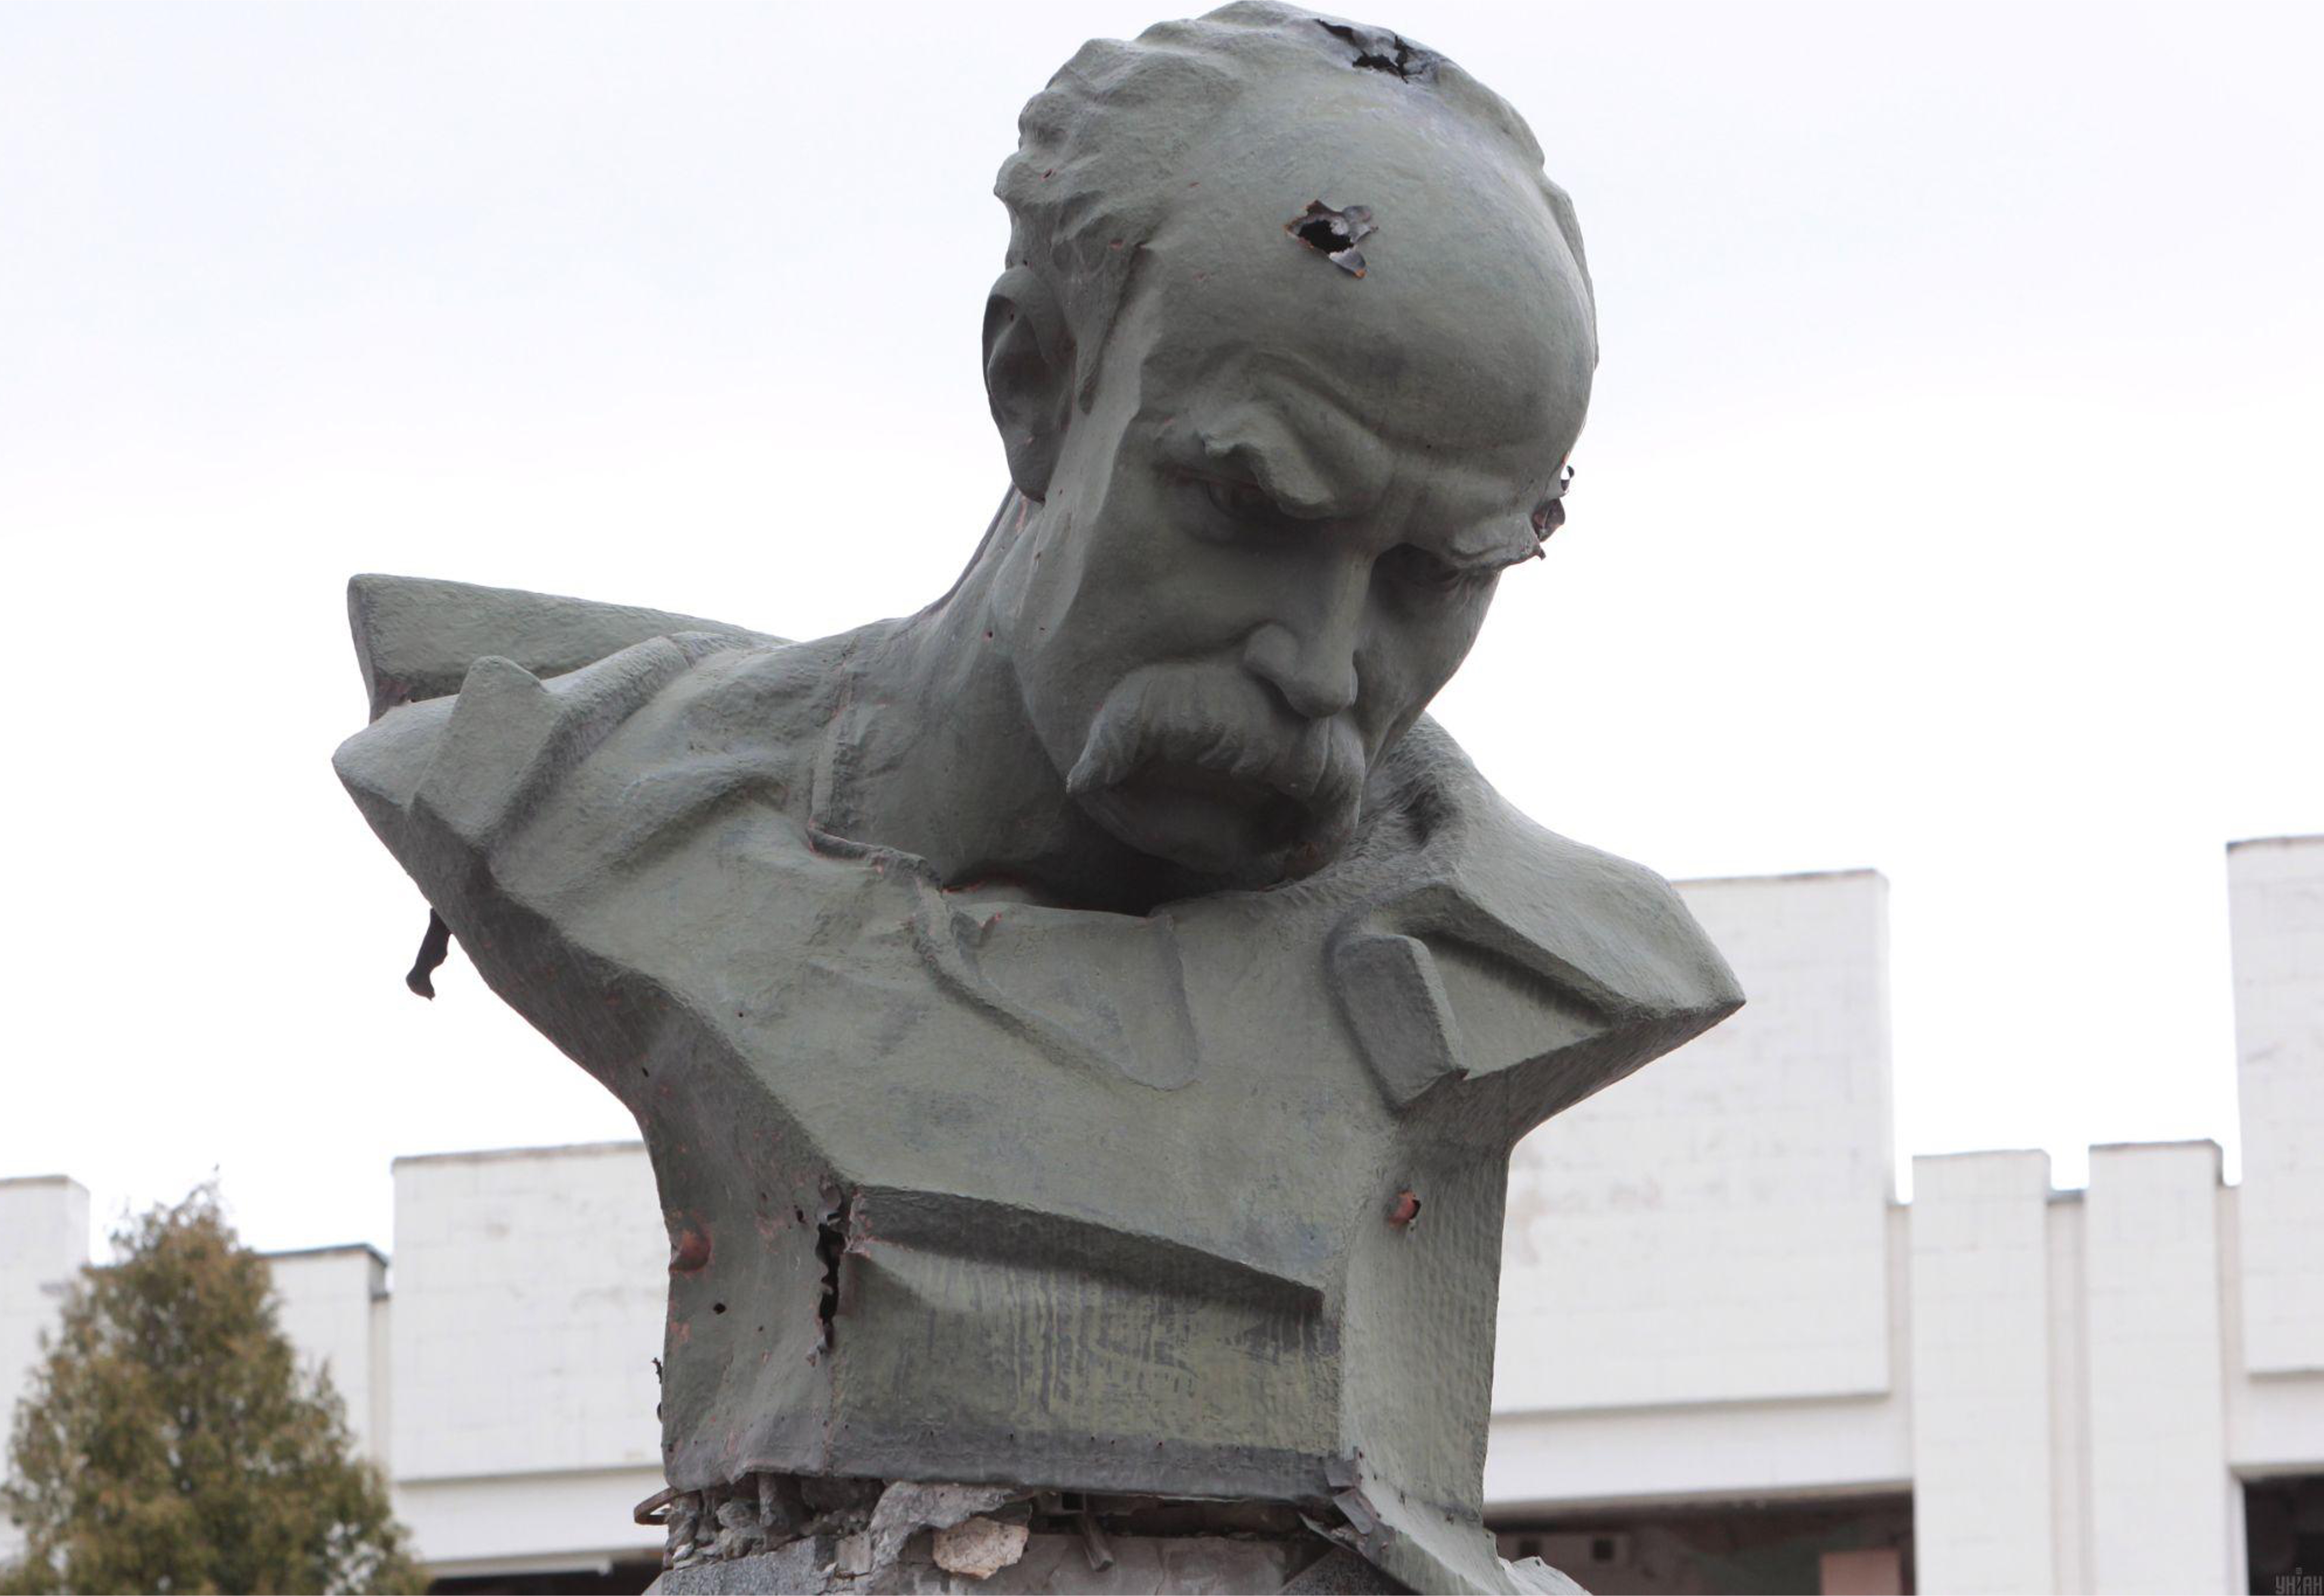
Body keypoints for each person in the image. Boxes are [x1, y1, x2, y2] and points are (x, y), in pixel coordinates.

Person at [336, 7, 1737, 1591]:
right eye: (1249, 504)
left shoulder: (1547, 959)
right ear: (1039, 382)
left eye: (1439, 572)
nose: (1320, 660)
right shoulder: (574, 806)